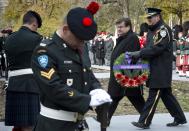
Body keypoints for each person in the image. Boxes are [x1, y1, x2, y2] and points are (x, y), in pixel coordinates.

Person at [31, 2, 112, 131]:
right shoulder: (45, 51)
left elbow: (87, 73)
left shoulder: (79, 47)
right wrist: (87, 100)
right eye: (79, 39)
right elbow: (53, 87)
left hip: (78, 124)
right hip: (54, 125)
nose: (82, 44)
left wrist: (97, 89)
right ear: (65, 30)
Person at [129, 8, 187, 129]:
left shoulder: (163, 30)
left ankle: (144, 121)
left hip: (160, 69)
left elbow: (157, 49)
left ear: (158, 17)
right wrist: (139, 56)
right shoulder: (152, 30)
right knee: (166, 95)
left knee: (153, 95)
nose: (149, 20)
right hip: (154, 67)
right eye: (148, 18)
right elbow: (148, 47)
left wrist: (139, 54)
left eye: (151, 17)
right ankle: (180, 117)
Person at [4, 11, 42, 131]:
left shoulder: (9, 39)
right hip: (30, 85)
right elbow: (43, 63)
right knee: (30, 125)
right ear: (34, 24)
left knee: (19, 125)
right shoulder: (36, 39)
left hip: (13, 84)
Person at [107, 18, 145, 126]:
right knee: (114, 97)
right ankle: (105, 119)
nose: (118, 29)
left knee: (135, 98)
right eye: (117, 27)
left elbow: (130, 57)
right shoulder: (123, 38)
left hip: (126, 75)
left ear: (128, 27)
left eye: (121, 27)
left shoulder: (132, 38)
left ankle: (146, 118)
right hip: (119, 75)